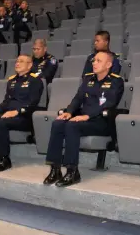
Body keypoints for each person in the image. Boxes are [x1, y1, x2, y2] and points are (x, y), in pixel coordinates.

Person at [43, 51, 124, 188]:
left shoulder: (116, 81)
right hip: (84, 118)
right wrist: (69, 112)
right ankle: (55, 169)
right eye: (94, 60)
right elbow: (78, 98)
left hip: (101, 121)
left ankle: (72, 171)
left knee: (72, 126)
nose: (94, 63)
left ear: (109, 65)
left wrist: (88, 116)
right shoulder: (88, 79)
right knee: (58, 123)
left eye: (99, 61)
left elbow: (109, 103)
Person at [0, 55, 44, 172]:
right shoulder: (12, 80)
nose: (17, 63)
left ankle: (4, 158)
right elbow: (6, 101)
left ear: (29, 65)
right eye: (17, 61)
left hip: (24, 117)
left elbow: (33, 103)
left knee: (0, 122)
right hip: (8, 115)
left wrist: (16, 112)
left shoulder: (35, 80)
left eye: (21, 61)